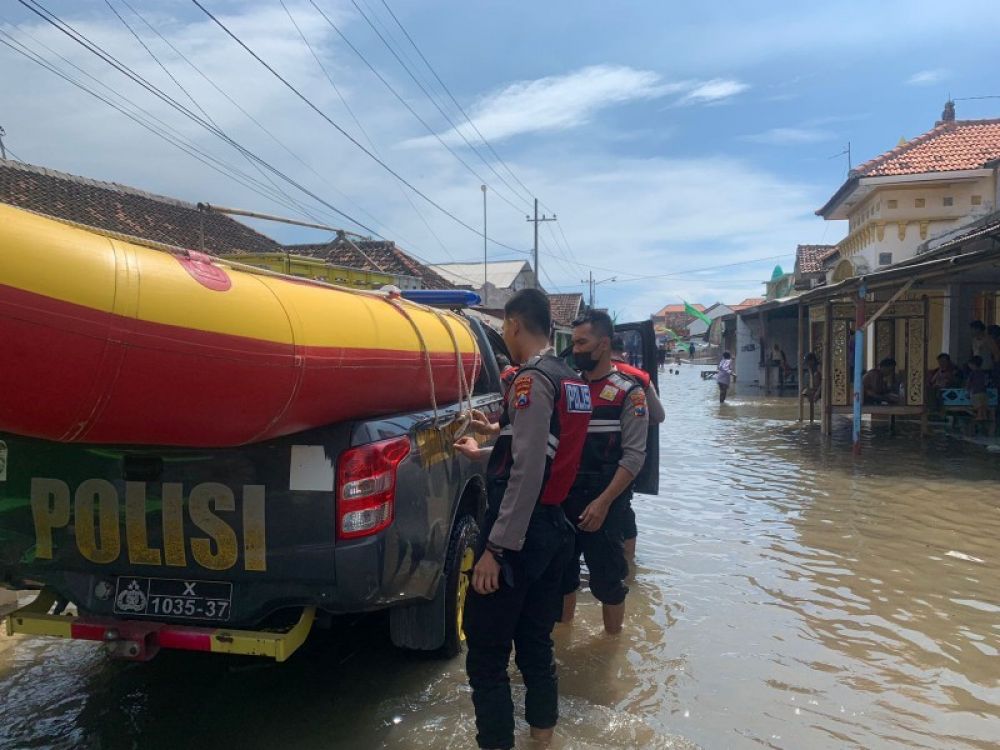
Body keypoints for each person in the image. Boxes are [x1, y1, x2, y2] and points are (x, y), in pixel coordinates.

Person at [454, 289, 591, 750]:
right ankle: (543, 739)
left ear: (513, 323)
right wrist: (485, 450)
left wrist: (496, 548)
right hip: (554, 529)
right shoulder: (570, 378)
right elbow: (536, 455)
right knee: (535, 644)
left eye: (505, 329)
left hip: (520, 537)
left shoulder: (532, 380)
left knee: (487, 657)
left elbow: (529, 468)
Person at [561, 311, 648, 634]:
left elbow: (635, 457)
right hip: (566, 502)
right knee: (563, 579)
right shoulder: (570, 387)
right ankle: (564, 639)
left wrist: (603, 503)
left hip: (607, 505)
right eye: (573, 343)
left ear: (604, 344)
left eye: (582, 342)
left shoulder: (629, 392)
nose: (576, 350)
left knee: (609, 582)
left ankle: (612, 649)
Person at [609, 336, 665, 561]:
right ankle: (628, 562)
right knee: (623, 506)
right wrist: (636, 422)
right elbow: (659, 416)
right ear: (623, 353)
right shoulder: (640, 377)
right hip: (628, 454)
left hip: (592, 455)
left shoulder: (583, 374)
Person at [967, 355, 989, 427]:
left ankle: (979, 416)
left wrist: (968, 388)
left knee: (978, 405)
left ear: (972, 364)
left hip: (976, 391)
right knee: (983, 404)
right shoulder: (983, 373)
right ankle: (984, 415)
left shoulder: (972, 373)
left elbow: (969, 382)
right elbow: (986, 381)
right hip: (984, 391)